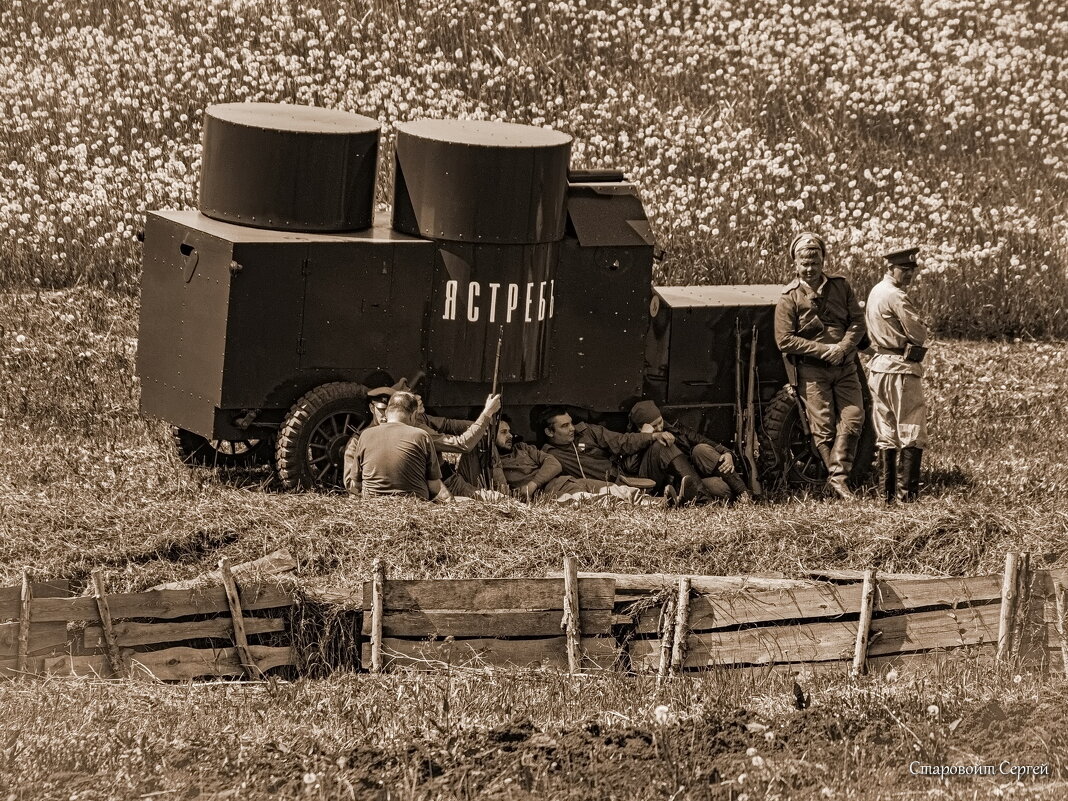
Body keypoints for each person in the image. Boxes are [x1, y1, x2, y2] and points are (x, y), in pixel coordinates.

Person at [774, 232, 867, 499]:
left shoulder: (841, 287)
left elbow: (858, 323)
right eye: (804, 264)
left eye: (815, 263)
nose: (810, 269)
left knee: (853, 418)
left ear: (823, 260)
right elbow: (785, 340)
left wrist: (842, 348)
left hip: (845, 366)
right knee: (823, 426)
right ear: (795, 264)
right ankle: (838, 481)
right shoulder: (789, 298)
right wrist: (824, 351)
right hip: (813, 371)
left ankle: (837, 479)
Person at [865, 247, 929, 503]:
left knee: (886, 429)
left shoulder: (875, 292)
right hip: (899, 367)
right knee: (912, 427)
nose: (909, 274)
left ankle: (886, 496)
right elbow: (918, 334)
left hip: (879, 365)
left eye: (912, 270)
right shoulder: (896, 296)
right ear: (890, 269)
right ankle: (907, 497)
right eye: (904, 270)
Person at [540, 408, 709, 504]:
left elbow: (622, 441)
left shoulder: (588, 432)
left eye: (571, 423)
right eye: (564, 426)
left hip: (630, 478)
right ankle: (669, 501)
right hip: (607, 492)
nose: (572, 428)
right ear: (549, 431)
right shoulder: (549, 455)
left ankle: (703, 501)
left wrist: (652, 436)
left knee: (662, 446)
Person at [493, 416, 656, 504]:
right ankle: (650, 505)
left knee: (617, 490)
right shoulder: (493, 462)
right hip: (555, 493)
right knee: (594, 501)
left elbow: (553, 464)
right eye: (503, 432)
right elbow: (502, 488)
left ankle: (659, 502)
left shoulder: (523, 448)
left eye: (509, 432)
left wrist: (532, 484)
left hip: (570, 481)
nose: (509, 436)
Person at [628, 400, 751, 504]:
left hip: (693, 482)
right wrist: (644, 437)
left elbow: (705, 441)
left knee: (700, 449)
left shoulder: (675, 429)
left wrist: (728, 453)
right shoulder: (632, 440)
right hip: (671, 487)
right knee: (720, 488)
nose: (660, 428)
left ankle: (744, 494)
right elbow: (630, 467)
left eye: (660, 422)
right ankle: (705, 501)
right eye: (654, 426)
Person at [347, 391, 453, 502]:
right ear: (413, 415)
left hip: (373, 505)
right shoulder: (421, 436)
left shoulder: (365, 435)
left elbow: (355, 484)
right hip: (414, 507)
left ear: (387, 412)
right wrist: (451, 501)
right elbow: (435, 486)